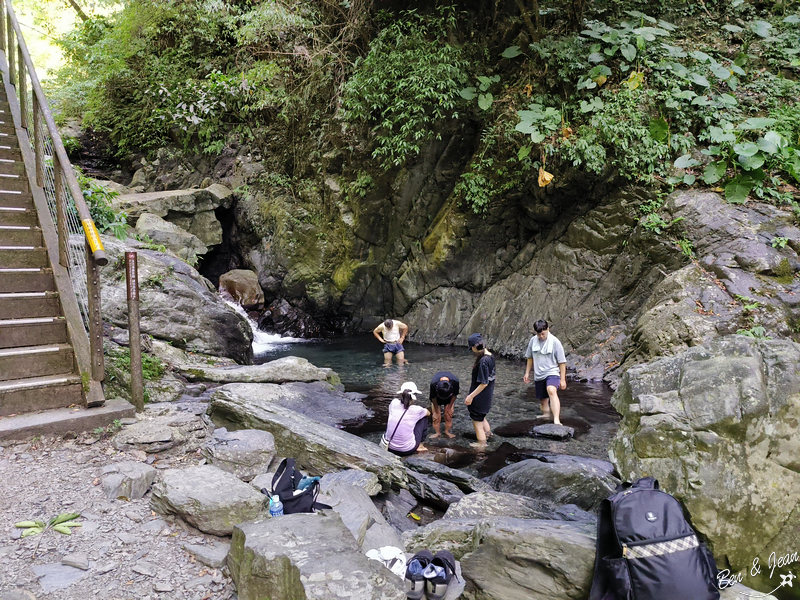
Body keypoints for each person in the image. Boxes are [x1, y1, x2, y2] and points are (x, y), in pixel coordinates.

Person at [523, 319, 567, 425]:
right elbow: (529, 358)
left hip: (552, 372)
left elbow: (562, 362)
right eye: (539, 334)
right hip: (539, 374)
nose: (541, 336)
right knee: (543, 400)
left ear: (547, 329)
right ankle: (546, 416)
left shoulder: (555, 342)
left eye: (543, 333)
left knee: (551, 390)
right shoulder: (533, 341)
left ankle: (556, 419)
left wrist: (562, 379)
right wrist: (527, 373)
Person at [464, 333, 495, 448]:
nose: (472, 350)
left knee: (477, 421)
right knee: (482, 417)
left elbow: (483, 383)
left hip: (480, 398)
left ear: (475, 346)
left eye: (471, 347)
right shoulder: (490, 356)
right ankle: (488, 435)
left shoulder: (483, 362)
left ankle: (482, 445)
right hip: (487, 397)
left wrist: (470, 396)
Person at [385, 382, 430, 455]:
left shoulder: (394, 403)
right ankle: (420, 445)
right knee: (423, 418)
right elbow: (428, 413)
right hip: (407, 450)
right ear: (414, 396)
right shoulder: (417, 410)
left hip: (389, 447)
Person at [428, 371, 459, 439]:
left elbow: (454, 395)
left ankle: (447, 432)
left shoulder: (455, 382)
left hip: (449, 398)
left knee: (448, 416)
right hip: (437, 399)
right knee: (436, 418)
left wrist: (449, 408)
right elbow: (433, 398)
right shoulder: (434, 383)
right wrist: (436, 412)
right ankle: (437, 433)